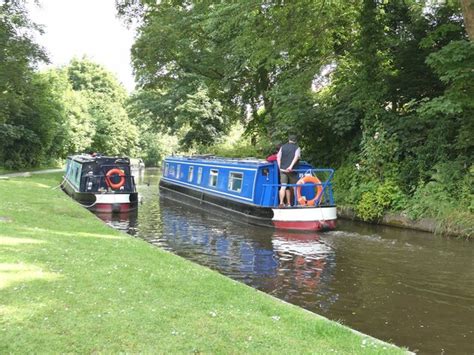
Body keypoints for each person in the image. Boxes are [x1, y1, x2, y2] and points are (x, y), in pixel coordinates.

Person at [277, 134, 301, 207]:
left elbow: (278, 157)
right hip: (292, 171)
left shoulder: (282, 147)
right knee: (294, 186)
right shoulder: (297, 148)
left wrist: (280, 167)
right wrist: (290, 167)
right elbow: (296, 157)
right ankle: (297, 203)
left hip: (283, 170)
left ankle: (281, 203)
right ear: (295, 141)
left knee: (283, 186)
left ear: (289, 140)